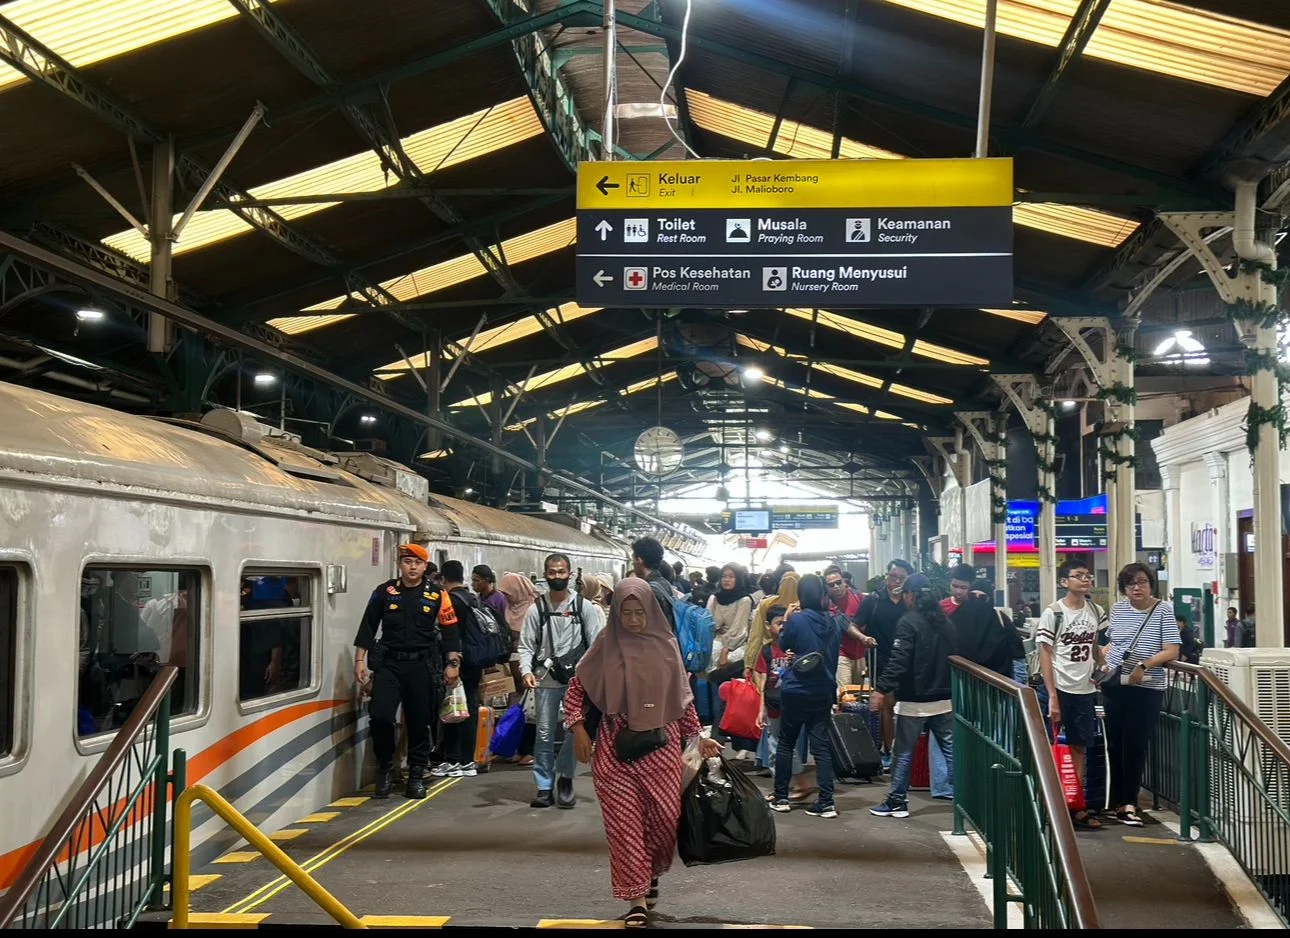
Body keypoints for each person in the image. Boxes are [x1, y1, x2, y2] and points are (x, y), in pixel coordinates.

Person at [564, 579, 720, 928]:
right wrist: (578, 729)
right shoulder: (605, 644)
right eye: (626, 613)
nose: (633, 620)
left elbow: (683, 701)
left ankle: (650, 875)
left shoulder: (666, 647)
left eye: (639, 613)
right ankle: (637, 899)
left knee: (664, 823)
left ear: (651, 612)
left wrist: (697, 739)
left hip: (662, 752)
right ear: (616, 613)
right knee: (625, 828)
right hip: (613, 751)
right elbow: (577, 689)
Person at [354, 544, 462, 799]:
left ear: (425, 567)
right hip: (389, 665)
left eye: (417, 562)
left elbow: (451, 632)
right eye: (407, 562)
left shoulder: (437, 594)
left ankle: (415, 774)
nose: (412, 567)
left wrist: (452, 663)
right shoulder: (385, 592)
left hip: (421, 666)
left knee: (418, 722)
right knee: (380, 716)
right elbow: (368, 627)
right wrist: (360, 660)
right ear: (400, 565)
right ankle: (385, 769)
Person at [518, 553, 605, 809]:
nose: (557, 576)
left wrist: (594, 677)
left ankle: (565, 778)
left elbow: (597, 643)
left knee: (572, 732)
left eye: (561, 571)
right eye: (552, 572)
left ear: (570, 574)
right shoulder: (537, 609)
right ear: (545, 574)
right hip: (546, 680)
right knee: (543, 734)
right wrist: (525, 671)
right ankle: (544, 786)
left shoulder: (583, 608)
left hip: (577, 682)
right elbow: (525, 645)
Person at [869, 573, 955, 820]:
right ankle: (969, 801)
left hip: (915, 700)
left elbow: (899, 661)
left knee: (903, 751)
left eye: (905, 593)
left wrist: (881, 689)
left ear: (911, 595)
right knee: (951, 751)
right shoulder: (945, 622)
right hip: (945, 698)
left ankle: (896, 801)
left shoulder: (908, 622)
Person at [1103, 563, 1179, 826]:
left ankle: (1129, 803)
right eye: (1129, 583)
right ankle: (1115, 802)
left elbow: (1172, 650)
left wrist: (1144, 665)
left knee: (1134, 746)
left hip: (1146, 687)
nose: (1136, 587)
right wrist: (1100, 661)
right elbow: (1115, 642)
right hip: (1115, 685)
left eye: (1141, 582)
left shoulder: (1162, 611)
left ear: (1151, 584)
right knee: (1114, 744)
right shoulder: (1119, 609)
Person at [1035, 560, 1107, 830]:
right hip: (1059, 686)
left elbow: (1095, 645)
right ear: (1064, 582)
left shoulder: (1095, 610)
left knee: (1079, 747)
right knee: (1050, 747)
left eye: (1088, 576)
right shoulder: (1054, 613)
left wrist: (1101, 665)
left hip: (1085, 689)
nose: (1085, 580)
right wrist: (1052, 695)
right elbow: (1045, 653)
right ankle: (1049, 803)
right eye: (1078, 576)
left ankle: (1074, 805)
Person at [769, 574, 841, 819]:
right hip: (823, 691)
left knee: (786, 744)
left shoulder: (797, 620)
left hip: (797, 689)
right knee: (820, 746)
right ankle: (827, 802)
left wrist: (788, 618)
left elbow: (784, 642)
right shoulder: (833, 622)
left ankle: (781, 798)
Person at [854, 559, 914, 767]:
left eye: (901, 578)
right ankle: (889, 752)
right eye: (892, 576)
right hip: (880, 660)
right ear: (886, 576)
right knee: (887, 705)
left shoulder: (912, 600)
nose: (895, 581)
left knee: (904, 707)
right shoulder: (874, 600)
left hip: (908, 661)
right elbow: (855, 625)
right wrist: (864, 639)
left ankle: (903, 750)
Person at [432, 561, 488, 779]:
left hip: (458, 663)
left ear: (444, 579)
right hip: (474, 662)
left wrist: (450, 663)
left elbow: (450, 634)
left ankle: (455, 760)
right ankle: (467, 761)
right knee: (470, 710)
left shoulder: (452, 601)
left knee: (454, 710)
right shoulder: (472, 598)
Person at [706, 563, 755, 756]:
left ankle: (720, 737)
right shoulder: (714, 598)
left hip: (734, 652)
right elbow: (708, 623)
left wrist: (726, 649)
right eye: (724, 576)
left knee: (730, 696)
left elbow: (739, 630)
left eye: (731, 576)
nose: (726, 579)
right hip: (714, 649)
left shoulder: (744, 600)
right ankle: (729, 740)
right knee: (726, 698)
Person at [499, 572, 539, 766]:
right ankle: (518, 748)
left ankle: (529, 750)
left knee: (530, 711)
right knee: (518, 709)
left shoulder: (532, 609)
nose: (505, 597)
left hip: (528, 667)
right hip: (512, 663)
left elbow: (532, 641)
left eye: (508, 592)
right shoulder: (510, 608)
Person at [744, 571, 800, 676]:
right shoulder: (802, 606)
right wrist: (749, 664)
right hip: (772, 656)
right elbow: (756, 634)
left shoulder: (767, 603)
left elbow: (756, 635)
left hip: (774, 657)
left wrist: (749, 665)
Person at [826, 565, 871, 689]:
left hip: (861, 652)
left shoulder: (859, 597)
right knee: (845, 694)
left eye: (838, 582)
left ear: (844, 581)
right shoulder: (826, 604)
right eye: (831, 585)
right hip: (841, 653)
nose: (835, 586)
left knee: (859, 694)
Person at [632, 536, 677, 630]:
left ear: (639, 561)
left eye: (633, 560)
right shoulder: (665, 583)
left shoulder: (648, 590)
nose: (632, 564)